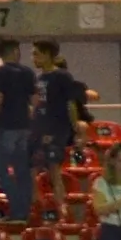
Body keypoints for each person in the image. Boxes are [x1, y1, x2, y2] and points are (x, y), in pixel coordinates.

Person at [0, 37, 37, 224]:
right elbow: (34, 101)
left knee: (1, 169)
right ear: (16, 51)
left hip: (6, 126)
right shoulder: (28, 72)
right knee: (22, 171)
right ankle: (24, 212)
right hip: (24, 126)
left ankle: (17, 209)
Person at [31, 39, 82, 218]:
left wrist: (75, 128)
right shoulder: (38, 79)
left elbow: (70, 104)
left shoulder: (62, 76)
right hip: (39, 129)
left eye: (36, 54)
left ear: (47, 55)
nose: (33, 58)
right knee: (31, 169)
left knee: (54, 170)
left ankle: (62, 209)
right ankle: (37, 208)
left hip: (56, 130)